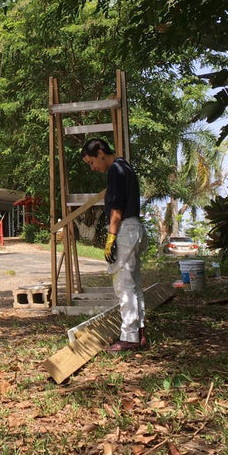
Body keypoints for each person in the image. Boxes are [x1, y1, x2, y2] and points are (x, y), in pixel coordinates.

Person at [81, 138, 146, 352]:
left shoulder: (115, 170)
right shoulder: (125, 166)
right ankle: (138, 333)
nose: (93, 168)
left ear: (100, 152)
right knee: (134, 284)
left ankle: (129, 337)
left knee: (123, 285)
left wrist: (111, 238)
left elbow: (116, 209)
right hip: (135, 227)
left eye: (91, 162)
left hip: (125, 229)